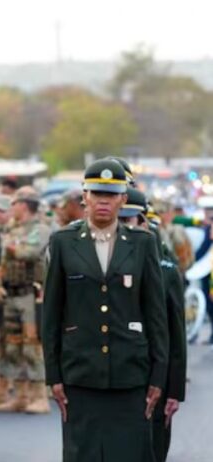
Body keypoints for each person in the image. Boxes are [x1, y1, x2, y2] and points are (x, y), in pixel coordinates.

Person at [42, 159, 169, 462]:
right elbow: (52, 314)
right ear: (84, 196)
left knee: (128, 453)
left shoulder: (142, 243)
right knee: (82, 453)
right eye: (97, 194)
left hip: (130, 372)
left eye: (111, 195)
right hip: (80, 372)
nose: (103, 201)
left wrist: (158, 375)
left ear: (123, 199)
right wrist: (53, 374)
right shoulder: (63, 242)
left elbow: (156, 315)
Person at [118, 187, 187, 462]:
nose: (122, 226)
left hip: (152, 375)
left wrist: (174, 389)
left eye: (129, 220)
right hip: (112, 375)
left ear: (143, 222)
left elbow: (175, 334)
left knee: (152, 448)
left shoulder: (164, 266)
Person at [0, 186, 51, 414]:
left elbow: (31, 252)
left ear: (25, 205)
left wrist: (10, 246)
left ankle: (39, 396)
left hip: (30, 294)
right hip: (10, 293)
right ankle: (20, 395)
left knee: (31, 346)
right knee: (12, 346)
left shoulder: (41, 229)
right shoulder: (13, 229)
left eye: (14, 203)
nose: (11, 208)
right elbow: (3, 262)